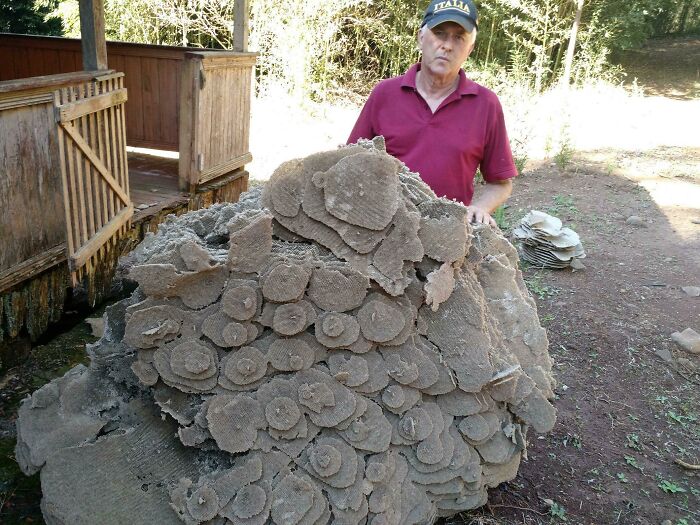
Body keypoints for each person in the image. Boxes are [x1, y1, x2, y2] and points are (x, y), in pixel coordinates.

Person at [348, 0, 517, 227]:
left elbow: (500, 183)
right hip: (384, 227)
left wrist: (480, 208)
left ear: (470, 49)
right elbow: (351, 161)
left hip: (448, 232)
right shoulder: (385, 94)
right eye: (439, 34)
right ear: (421, 38)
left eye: (459, 38)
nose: (447, 45)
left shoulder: (485, 104)